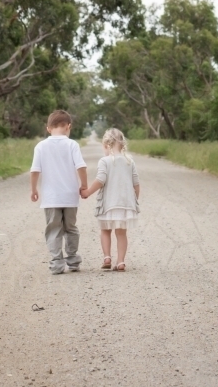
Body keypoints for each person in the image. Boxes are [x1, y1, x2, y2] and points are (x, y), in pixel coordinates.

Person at [30, 110, 87, 274]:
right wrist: (84, 185)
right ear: (69, 126)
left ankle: (57, 263)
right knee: (71, 228)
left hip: (51, 197)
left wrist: (33, 190)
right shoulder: (72, 145)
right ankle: (73, 260)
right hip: (70, 196)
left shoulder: (40, 146)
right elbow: (81, 167)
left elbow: (34, 171)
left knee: (53, 229)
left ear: (48, 128)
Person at [81, 127, 140, 271]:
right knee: (121, 233)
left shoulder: (105, 161)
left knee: (105, 230)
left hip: (108, 204)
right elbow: (136, 184)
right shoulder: (129, 161)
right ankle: (120, 262)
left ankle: (107, 257)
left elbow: (100, 180)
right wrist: (134, 201)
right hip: (125, 205)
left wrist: (87, 192)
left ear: (107, 145)